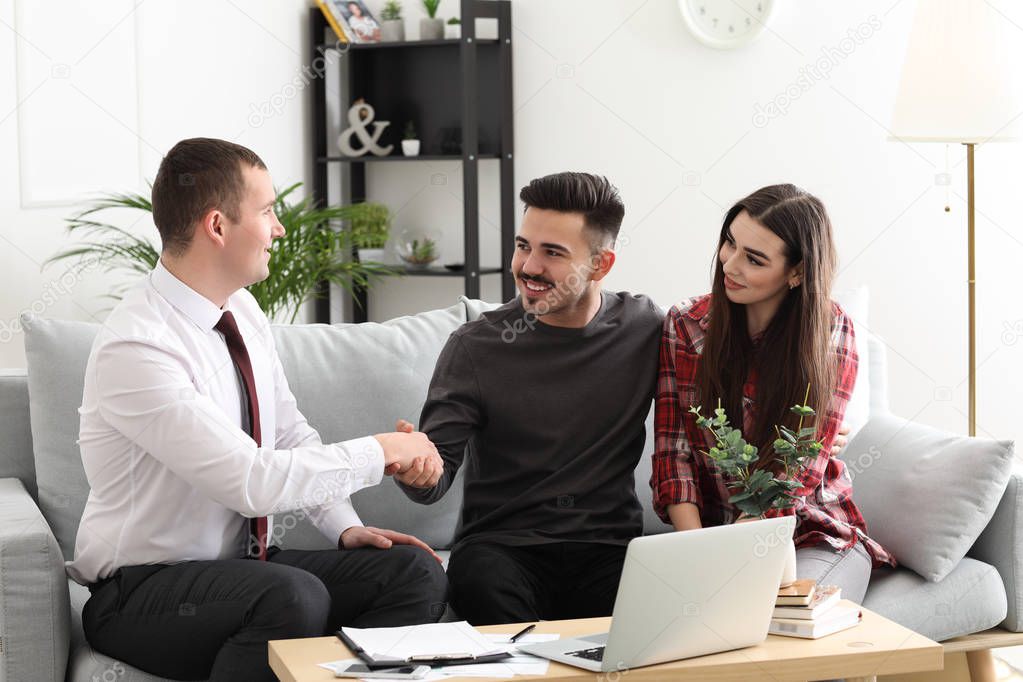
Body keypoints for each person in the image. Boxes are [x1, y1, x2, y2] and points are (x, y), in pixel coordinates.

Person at [68, 138, 448, 682]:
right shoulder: (138, 348)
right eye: (267, 211)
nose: (279, 228)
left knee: (412, 572)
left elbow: (289, 434)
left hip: (242, 573)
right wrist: (382, 451)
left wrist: (343, 526)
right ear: (218, 226)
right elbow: (250, 481)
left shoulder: (242, 310)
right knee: (291, 597)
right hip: (141, 592)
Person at [394, 172, 664, 625]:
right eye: (523, 246)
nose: (528, 267)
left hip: (608, 552)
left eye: (552, 253)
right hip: (501, 550)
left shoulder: (643, 327)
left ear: (600, 265)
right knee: (485, 587)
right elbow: (435, 477)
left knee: (655, 615)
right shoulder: (475, 347)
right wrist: (416, 469)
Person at [651, 184, 894, 604]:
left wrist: (739, 557)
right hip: (711, 535)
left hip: (811, 532)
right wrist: (695, 552)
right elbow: (674, 456)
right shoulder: (685, 326)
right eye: (730, 242)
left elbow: (797, 470)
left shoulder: (831, 334)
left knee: (785, 620)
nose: (730, 263)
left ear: (797, 272)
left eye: (755, 259)